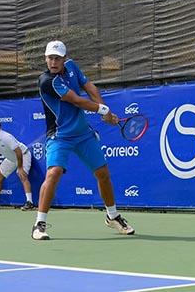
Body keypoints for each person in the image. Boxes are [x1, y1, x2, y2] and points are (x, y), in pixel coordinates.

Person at [31, 40, 135, 240]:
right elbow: (76, 100)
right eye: (50, 58)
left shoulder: (71, 67)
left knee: (103, 173)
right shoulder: (47, 81)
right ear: (45, 58)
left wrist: (105, 110)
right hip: (60, 136)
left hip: (83, 134)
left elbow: (89, 87)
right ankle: (39, 224)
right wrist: (103, 110)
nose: (53, 62)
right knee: (53, 173)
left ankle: (112, 216)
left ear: (64, 59)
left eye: (57, 58)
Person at [0, 119, 35, 211]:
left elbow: (18, 151)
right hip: (12, 158)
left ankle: (30, 202)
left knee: (22, 175)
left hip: (23, 154)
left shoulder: (6, 137)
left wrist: (20, 167)